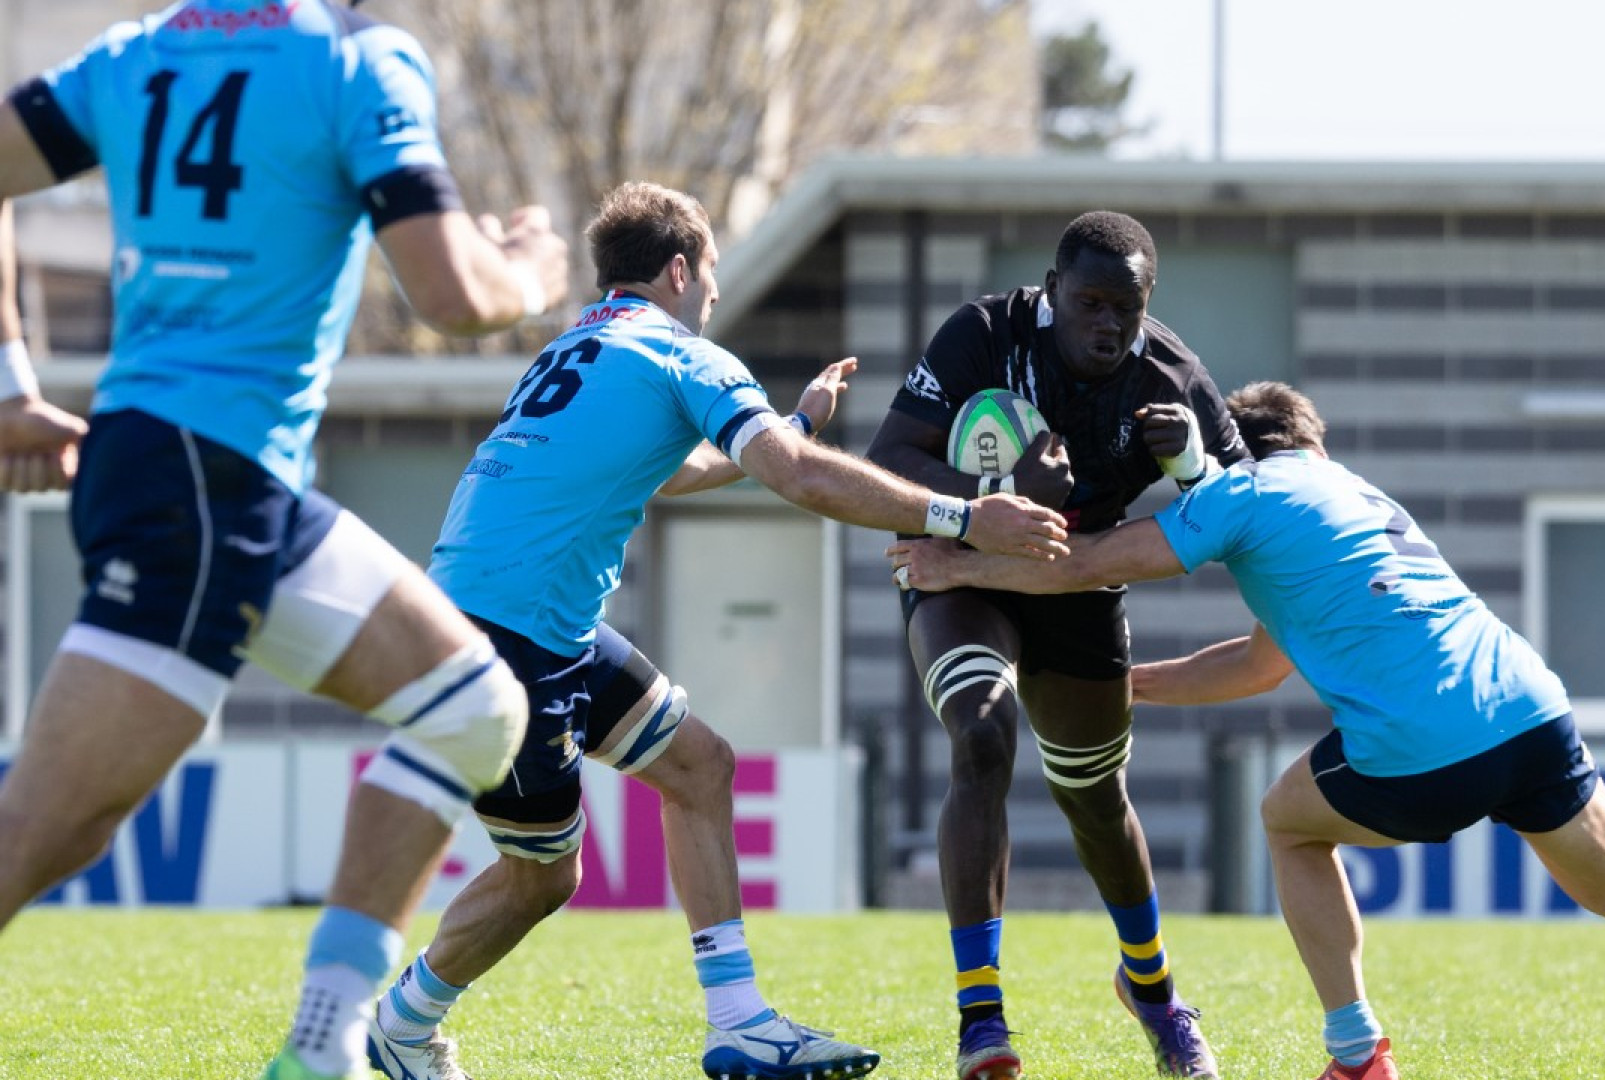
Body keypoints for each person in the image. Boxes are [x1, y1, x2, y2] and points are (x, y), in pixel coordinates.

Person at [888, 381, 1605, 1080]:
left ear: (1231, 445)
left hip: (1426, 737)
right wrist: (1125, 687)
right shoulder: (1356, 495)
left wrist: (957, 568)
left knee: (1287, 821)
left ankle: (1356, 1053)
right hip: (1527, 701)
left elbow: (1084, 564)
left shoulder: (1241, 493)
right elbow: (1261, 663)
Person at [364, 180, 1069, 1080]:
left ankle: (737, 1019)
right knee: (545, 875)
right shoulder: (681, 353)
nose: (714, 299)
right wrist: (966, 516)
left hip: (527, 625)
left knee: (700, 766)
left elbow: (667, 471)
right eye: (712, 278)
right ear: (679, 267)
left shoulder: (575, 345)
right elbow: (804, 483)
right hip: (509, 644)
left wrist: (795, 422)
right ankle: (400, 1024)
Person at [0, 3, 578, 1078]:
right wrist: (532, 265)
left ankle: (326, 1045)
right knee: (42, 831)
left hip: (213, 482)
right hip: (204, 490)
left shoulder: (140, 51)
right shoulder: (357, 60)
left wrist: (8, 381)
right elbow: (454, 296)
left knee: (475, 703)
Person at [865, 210, 1247, 1080]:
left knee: (1094, 797)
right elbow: (890, 458)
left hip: (1077, 588)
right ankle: (982, 1018)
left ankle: (1153, 993)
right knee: (984, 734)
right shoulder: (981, 334)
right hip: (960, 573)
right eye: (1091, 303)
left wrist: (1195, 471)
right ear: (1052, 291)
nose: (1109, 325)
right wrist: (994, 488)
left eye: (1129, 307)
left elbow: (1244, 515)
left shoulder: (1172, 376)